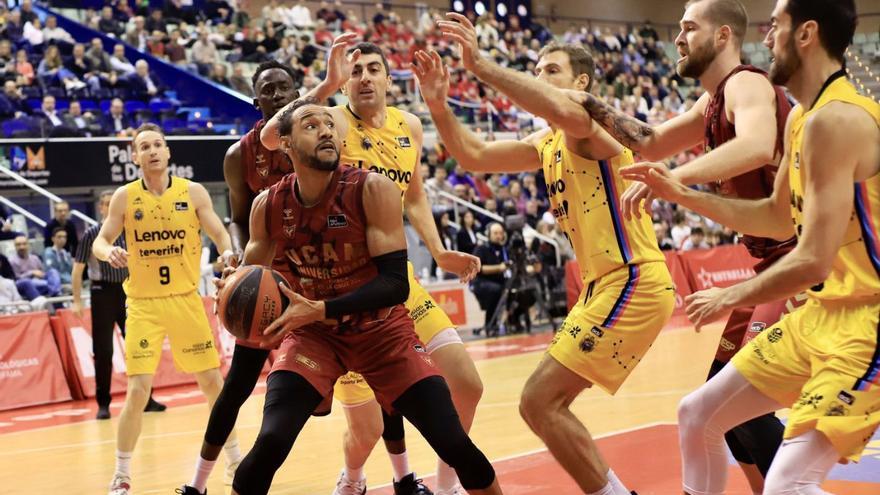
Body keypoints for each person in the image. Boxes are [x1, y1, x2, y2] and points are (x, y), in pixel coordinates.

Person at [414, 16, 674, 494]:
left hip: (633, 278)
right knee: (540, 405)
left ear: (582, 83)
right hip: (603, 286)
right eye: (536, 70)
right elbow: (473, 155)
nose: (539, 78)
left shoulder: (586, 127)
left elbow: (572, 116)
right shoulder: (547, 141)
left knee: (538, 400)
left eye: (550, 71)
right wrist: (438, 105)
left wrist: (481, 66)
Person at [628, 1, 879, 492]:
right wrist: (683, 194)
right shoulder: (802, 120)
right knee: (696, 414)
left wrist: (729, 296)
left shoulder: (840, 119)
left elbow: (812, 258)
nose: (765, 39)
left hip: (869, 322)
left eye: (775, 26)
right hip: (823, 314)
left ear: (805, 34)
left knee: (787, 482)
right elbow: (773, 214)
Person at [228, 97, 502, 495]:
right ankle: (356, 477)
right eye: (310, 125)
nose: (325, 129)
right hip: (315, 337)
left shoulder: (373, 189)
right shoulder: (268, 206)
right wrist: (232, 288)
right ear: (284, 143)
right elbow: (254, 280)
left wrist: (319, 307)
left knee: (454, 441)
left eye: (329, 123)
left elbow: (396, 285)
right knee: (270, 442)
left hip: (382, 332)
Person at [575, 0, 797, 487]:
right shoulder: (711, 102)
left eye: (688, 27)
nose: (677, 36)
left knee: (725, 410)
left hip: (803, 263)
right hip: (770, 267)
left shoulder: (745, 83)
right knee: (725, 413)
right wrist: (586, 105)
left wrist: (674, 180)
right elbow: (651, 142)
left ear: (722, 36)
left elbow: (758, 145)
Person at [93, 124, 236, 495]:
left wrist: (229, 253)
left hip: (186, 299)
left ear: (168, 152)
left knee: (213, 384)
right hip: (143, 305)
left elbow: (220, 234)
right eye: (145, 147)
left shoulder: (193, 193)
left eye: (158, 145)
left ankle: (235, 460)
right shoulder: (125, 198)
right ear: (135, 157)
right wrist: (109, 252)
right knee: (138, 390)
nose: (153, 151)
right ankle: (122, 474)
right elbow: (101, 240)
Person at [179, 60, 298, 495]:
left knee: (363, 383)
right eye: (269, 90)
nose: (278, 95)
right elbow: (237, 219)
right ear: (256, 101)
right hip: (271, 277)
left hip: (322, 273)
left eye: (285, 87)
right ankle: (197, 483)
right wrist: (241, 258)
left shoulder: (320, 133)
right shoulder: (239, 155)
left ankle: (391, 475)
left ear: (298, 91)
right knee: (236, 386)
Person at [73, 190, 165, 420]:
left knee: (139, 347)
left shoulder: (131, 232)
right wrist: (76, 300)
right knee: (103, 350)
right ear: (101, 208)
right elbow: (77, 270)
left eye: (113, 203)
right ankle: (103, 403)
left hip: (129, 292)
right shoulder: (92, 234)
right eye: (105, 203)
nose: (109, 206)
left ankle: (146, 398)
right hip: (101, 292)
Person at [472, 223, 508, 336]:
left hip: (500, 281)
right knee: (496, 290)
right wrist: (499, 268)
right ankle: (490, 325)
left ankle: (514, 322)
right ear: (489, 234)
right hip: (481, 282)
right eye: (495, 233)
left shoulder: (504, 249)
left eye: (500, 233)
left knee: (516, 289)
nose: (498, 236)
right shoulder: (481, 248)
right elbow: (479, 268)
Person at [10, 234, 62, 301]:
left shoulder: (35, 258)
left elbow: (42, 273)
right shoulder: (11, 261)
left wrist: (42, 275)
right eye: (18, 244)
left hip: (40, 281)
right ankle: (53, 291)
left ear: (28, 245)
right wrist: (31, 273)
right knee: (29, 282)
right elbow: (15, 279)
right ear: (15, 246)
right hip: (26, 284)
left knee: (53, 271)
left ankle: (55, 294)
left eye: (24, 244)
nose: (21, 247)